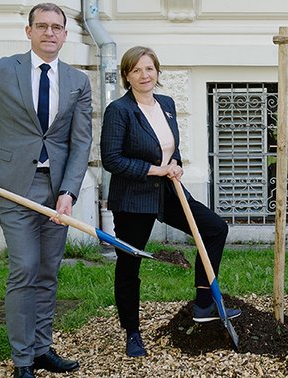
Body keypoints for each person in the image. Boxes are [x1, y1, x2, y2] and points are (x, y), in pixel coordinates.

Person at [0, 3, 92, 378]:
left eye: (56, 27)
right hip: (13, 188)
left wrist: (70, 192)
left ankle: (42, 349)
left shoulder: (78, 81)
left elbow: (80, 143)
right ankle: (22, 360)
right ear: (28, 32)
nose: (49, 33)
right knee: (25, 268)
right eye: (41, 26)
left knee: (48, 270)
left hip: (56, 189)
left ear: (65, 34)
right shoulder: (3, 70)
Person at [100, 46, 240, 358]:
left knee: (215, 228)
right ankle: (132, 331)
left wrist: (173, 163)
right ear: (126, 76)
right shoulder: (119, 111)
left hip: (167, 190)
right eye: (136, 70)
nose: (144, 75)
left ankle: (204, 303)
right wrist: (156, 169)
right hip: (133, 197)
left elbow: (167, 147)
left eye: (149, 68)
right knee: (129, 262)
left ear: (157, 72)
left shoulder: (166, 104)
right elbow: (112, 160)